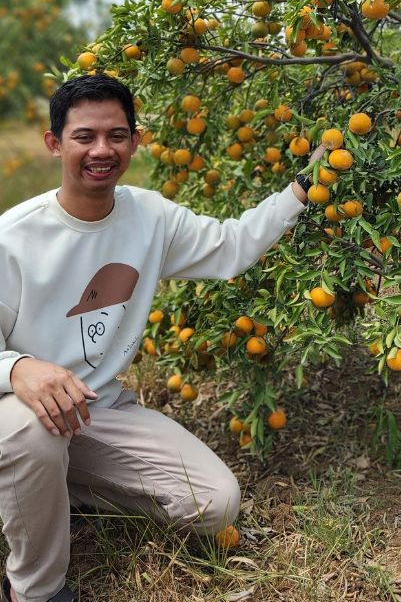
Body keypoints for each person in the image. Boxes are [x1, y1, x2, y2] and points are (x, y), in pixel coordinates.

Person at [0, 75, 320, 602]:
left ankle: (39, 492)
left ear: (135, 140)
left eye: (116, 135)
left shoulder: (149, 217)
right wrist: (17, 369)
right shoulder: (15, 237)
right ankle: (36, 589)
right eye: (84, 136)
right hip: (17, 410)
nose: (101, 150)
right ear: (54, 143)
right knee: (32, 434)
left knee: (214, 504)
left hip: (95, 409)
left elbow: (230, 247)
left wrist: (303, 188)